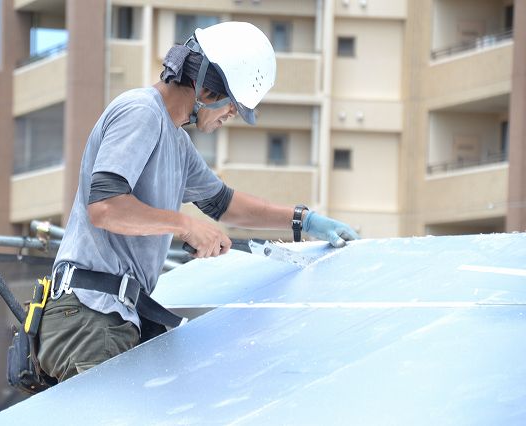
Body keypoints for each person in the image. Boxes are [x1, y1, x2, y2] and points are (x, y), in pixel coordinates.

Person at [37, 21, 359, 383]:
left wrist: (303, 220)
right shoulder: (140, 112)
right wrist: (185, 225)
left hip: (110, 317)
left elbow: (225, 204)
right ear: (207, 89)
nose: (231, 116)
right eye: (233, 107)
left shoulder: (175, 142)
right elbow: (105, 207)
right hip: (88, 315)